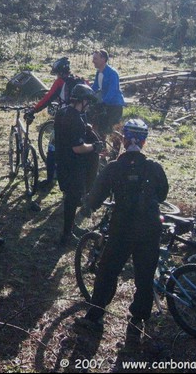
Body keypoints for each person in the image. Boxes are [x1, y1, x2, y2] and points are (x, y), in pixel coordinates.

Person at [74, 119, 169, 348]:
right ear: (143, 142)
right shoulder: (154, 167)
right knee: (145, 277)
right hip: (149, 229)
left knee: (107, 272)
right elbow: (163, 194)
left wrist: (85, 205)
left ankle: (94, 317)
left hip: (122, 229)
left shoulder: (114, 168)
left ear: (124, 140)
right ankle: (137, 323)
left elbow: (95, 198)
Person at [54, 84, 104, 246]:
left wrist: (85, 127)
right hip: (73, 165)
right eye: (87, 102)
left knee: (70, 196)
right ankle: (66, 234)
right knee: (72, 199)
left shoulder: (62, 112)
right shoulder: (75, 119)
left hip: (61, 161)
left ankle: (69, 228)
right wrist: (95, 147)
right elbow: (78, 148)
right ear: (81, 101)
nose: (88, 105)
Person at [27, 57, 87, 189]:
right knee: (79, 147)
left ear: (59, 72)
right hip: (82, 118)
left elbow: (47, 98)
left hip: (64, 119)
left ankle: (50, 179)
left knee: (52, 149)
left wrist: (34, 110)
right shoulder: (81, 79)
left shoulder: (60, 82)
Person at [90, 49, 125, 138]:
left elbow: (113, 90)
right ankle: (102, 149)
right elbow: (95, 86)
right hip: (105, 103)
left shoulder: (112, 73)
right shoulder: (99, 72)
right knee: (101, 128)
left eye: (95, 59)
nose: (93, 61)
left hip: (114, 105)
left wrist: (103, 102)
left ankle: (116, 151)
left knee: (114, 128)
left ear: (103, 59)